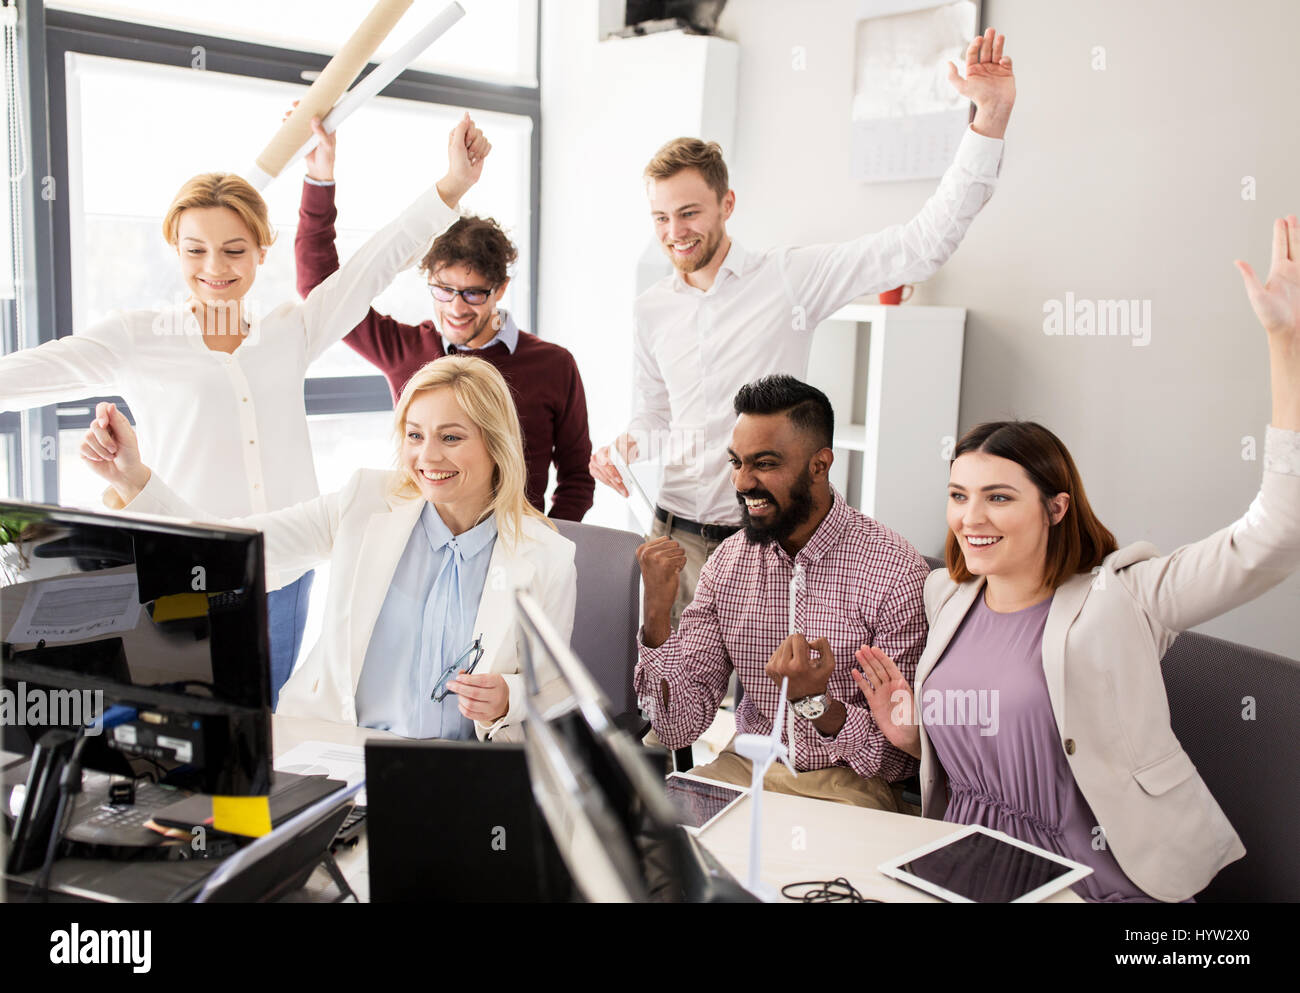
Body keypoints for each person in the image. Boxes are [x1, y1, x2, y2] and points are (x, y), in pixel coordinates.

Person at [854, 215, 1300, 901]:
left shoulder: (1126, 597)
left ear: (1055, 508)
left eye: (999, 497)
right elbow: (981, 757)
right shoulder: (946, 597)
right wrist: (912, 734)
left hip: (1089, 880)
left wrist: (1285, 342)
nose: (971, 517)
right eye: (958, 495)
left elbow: (1275, 536)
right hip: (966, 865)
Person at [0, 113, 493, 708]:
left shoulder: (289, 330)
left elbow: (370, 268)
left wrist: (450, 186)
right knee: (179, 725)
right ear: (173, 250)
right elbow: (31, 372)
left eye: (235, 249)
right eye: (196, 250)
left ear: (262, 250)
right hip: (183, 573)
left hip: (282, 573)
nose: (216, 267)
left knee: (263, 729)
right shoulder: (138, 337)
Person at [593, 29, 1017, 626]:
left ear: (727, 204)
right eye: (660, 217)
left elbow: (921, 246)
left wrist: (989, 118)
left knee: (768, 710)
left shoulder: (788, 278)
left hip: (763, 538)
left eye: (689, 212)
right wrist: (625, 445)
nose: (674, 232)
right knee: (669, 705)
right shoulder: (651, 307)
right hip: (673, 536)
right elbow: (654, 415)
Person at [80, 356, 576, 742]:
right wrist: (136, 481)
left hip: (462, 773)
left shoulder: (547, 557)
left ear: (496, 445)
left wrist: (507, 697)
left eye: (451, 437)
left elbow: (553, 693)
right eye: (414, 435)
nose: (428, 457)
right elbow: (231, 554)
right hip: (341, 754)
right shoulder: (363, 502)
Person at [634, 375, 929, 810]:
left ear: (819, 465)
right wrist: (657, 620)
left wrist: (816, 705)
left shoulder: (895, 571)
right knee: (649, 854)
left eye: (765, 464)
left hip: (847, 786)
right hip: (742, 768)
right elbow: (678, 729)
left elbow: (900, 758)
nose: (742, 482)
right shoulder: (729, 563)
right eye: (736, 462)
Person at [294, 116, 595, 521]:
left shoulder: (554, 364)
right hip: (419, 545)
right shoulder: (406, 349)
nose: (456, 307)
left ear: (500, 289)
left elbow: (577, 475)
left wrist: (550, 543)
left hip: (517, 550)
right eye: (443, 290)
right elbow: (321, 288)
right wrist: (319, 179)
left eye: (473, 293)